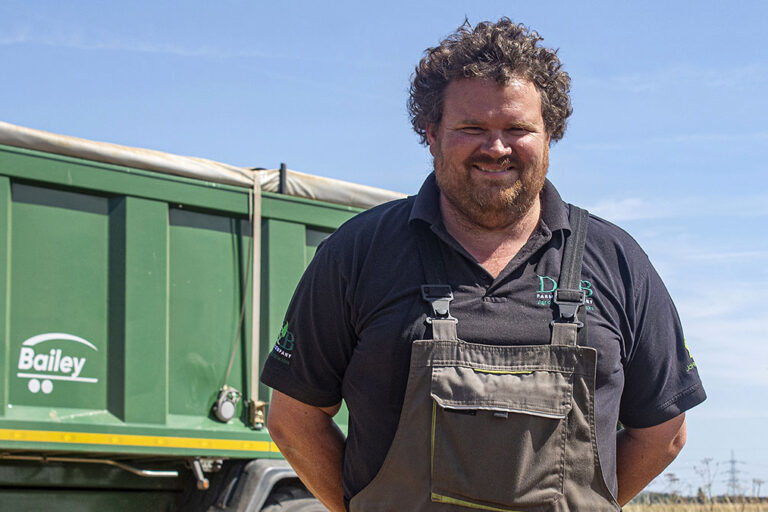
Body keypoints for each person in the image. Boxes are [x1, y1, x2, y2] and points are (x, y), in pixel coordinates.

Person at [261, 18, 706, 512]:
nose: (496, 148)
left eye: (517, 129)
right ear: (430, 134)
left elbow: (664, 432)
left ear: (550, 135)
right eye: (472, 128)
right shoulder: (358, 253)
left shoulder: (617, 262)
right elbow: (293, 418)